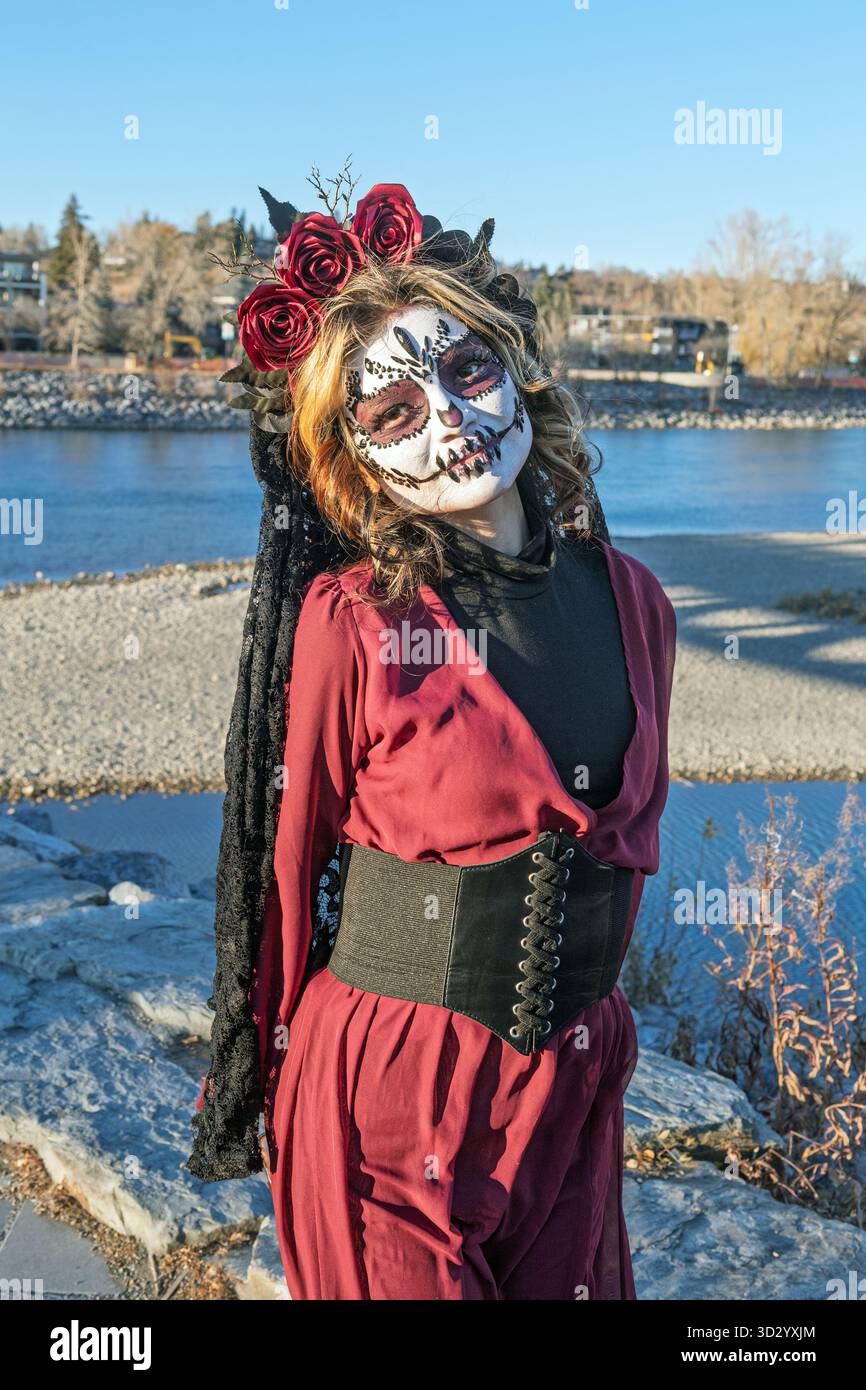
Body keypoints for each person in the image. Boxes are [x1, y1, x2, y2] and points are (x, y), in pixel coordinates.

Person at [186, 178, 677, 1301]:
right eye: (394, 412)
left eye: (465, 371)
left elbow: (624, 855)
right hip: (388, 1095)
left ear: (514, 368)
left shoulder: (635, 599)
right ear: (351, 460)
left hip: (570, 1091)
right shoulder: (354, 622)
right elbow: (286, 855)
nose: (450, 419)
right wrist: (259, 1072)